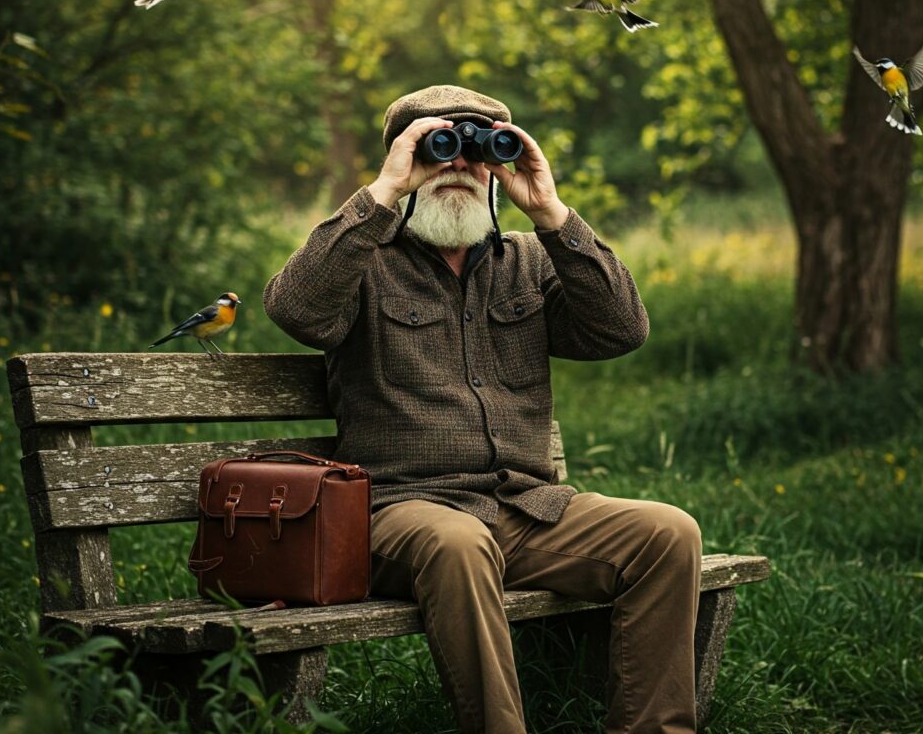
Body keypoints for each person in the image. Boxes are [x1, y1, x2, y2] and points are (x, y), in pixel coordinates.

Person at [264, 84, 702, 734]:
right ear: (403, 163)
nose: (459, 166)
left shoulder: (527, 260)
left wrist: (551, 211)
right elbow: (296, 309)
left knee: (670, 534)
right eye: (439, 149)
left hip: (526, 510)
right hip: (401, 513)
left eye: (477, 151)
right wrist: (380, 195)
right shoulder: (365, 262)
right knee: (459, 542)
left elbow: (621, 330)